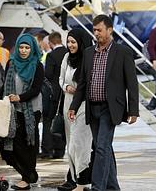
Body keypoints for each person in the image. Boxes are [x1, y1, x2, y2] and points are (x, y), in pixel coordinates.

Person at [68, 15, 139, 191]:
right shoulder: (88, 53)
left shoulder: (122, 52)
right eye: (94, 30)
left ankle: (98, 187)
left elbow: (132, 83)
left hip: (110, 108)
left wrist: (134, 110)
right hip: (92, 108)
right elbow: (83, 83)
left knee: (101, 147)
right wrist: (73, 106)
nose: (96, 33)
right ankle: (113, 187)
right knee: (103, 147)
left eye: (100, 30)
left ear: (109, 30)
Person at [0, 33, 44, 190]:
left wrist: (20, 97)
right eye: (21, 47)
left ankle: (27, 177)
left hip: (31, 111)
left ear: (32, 49)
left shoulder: (37, 65)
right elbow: (5, 85)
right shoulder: (11, 63)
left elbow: (36, 89)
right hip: (13, 109)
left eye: (27, 47)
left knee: (28, 144)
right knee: (11, 144)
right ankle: (28, 173)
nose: (24, 50)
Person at [57, 29, 94, 191]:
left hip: (83, 105)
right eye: (69, 41)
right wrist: (66, 86)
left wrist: (78, 91)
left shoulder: (88, 59)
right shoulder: (66, 57)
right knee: (70, 144)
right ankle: (73, 179)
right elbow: (60, 78)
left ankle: (83, 180)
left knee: (79, 144)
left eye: (74, 42)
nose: (70, 45)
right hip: (67, 104)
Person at [42, 31, 67, 159]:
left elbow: (48, 75)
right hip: (66, 93)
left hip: (54, 94)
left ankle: (47, 149)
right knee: (62, 121)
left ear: (51, 43)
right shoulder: (68, 53)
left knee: (49, 121)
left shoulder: (51, 56)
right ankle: (60, 150)